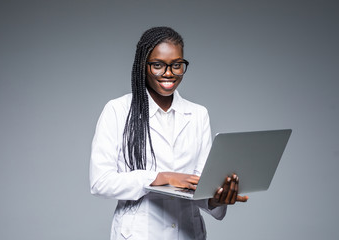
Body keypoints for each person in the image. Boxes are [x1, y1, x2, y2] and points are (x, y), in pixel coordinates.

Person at [90, 26, 248, 240]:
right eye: (158, 65)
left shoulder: (198, 114)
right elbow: (101, 182)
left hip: (187, 232)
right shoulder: (117, 111)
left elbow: (197, 186)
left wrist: (216, 199)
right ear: (142, 66)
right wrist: (158, 178)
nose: (168, 73)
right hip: (138, 234)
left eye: (177, 65)